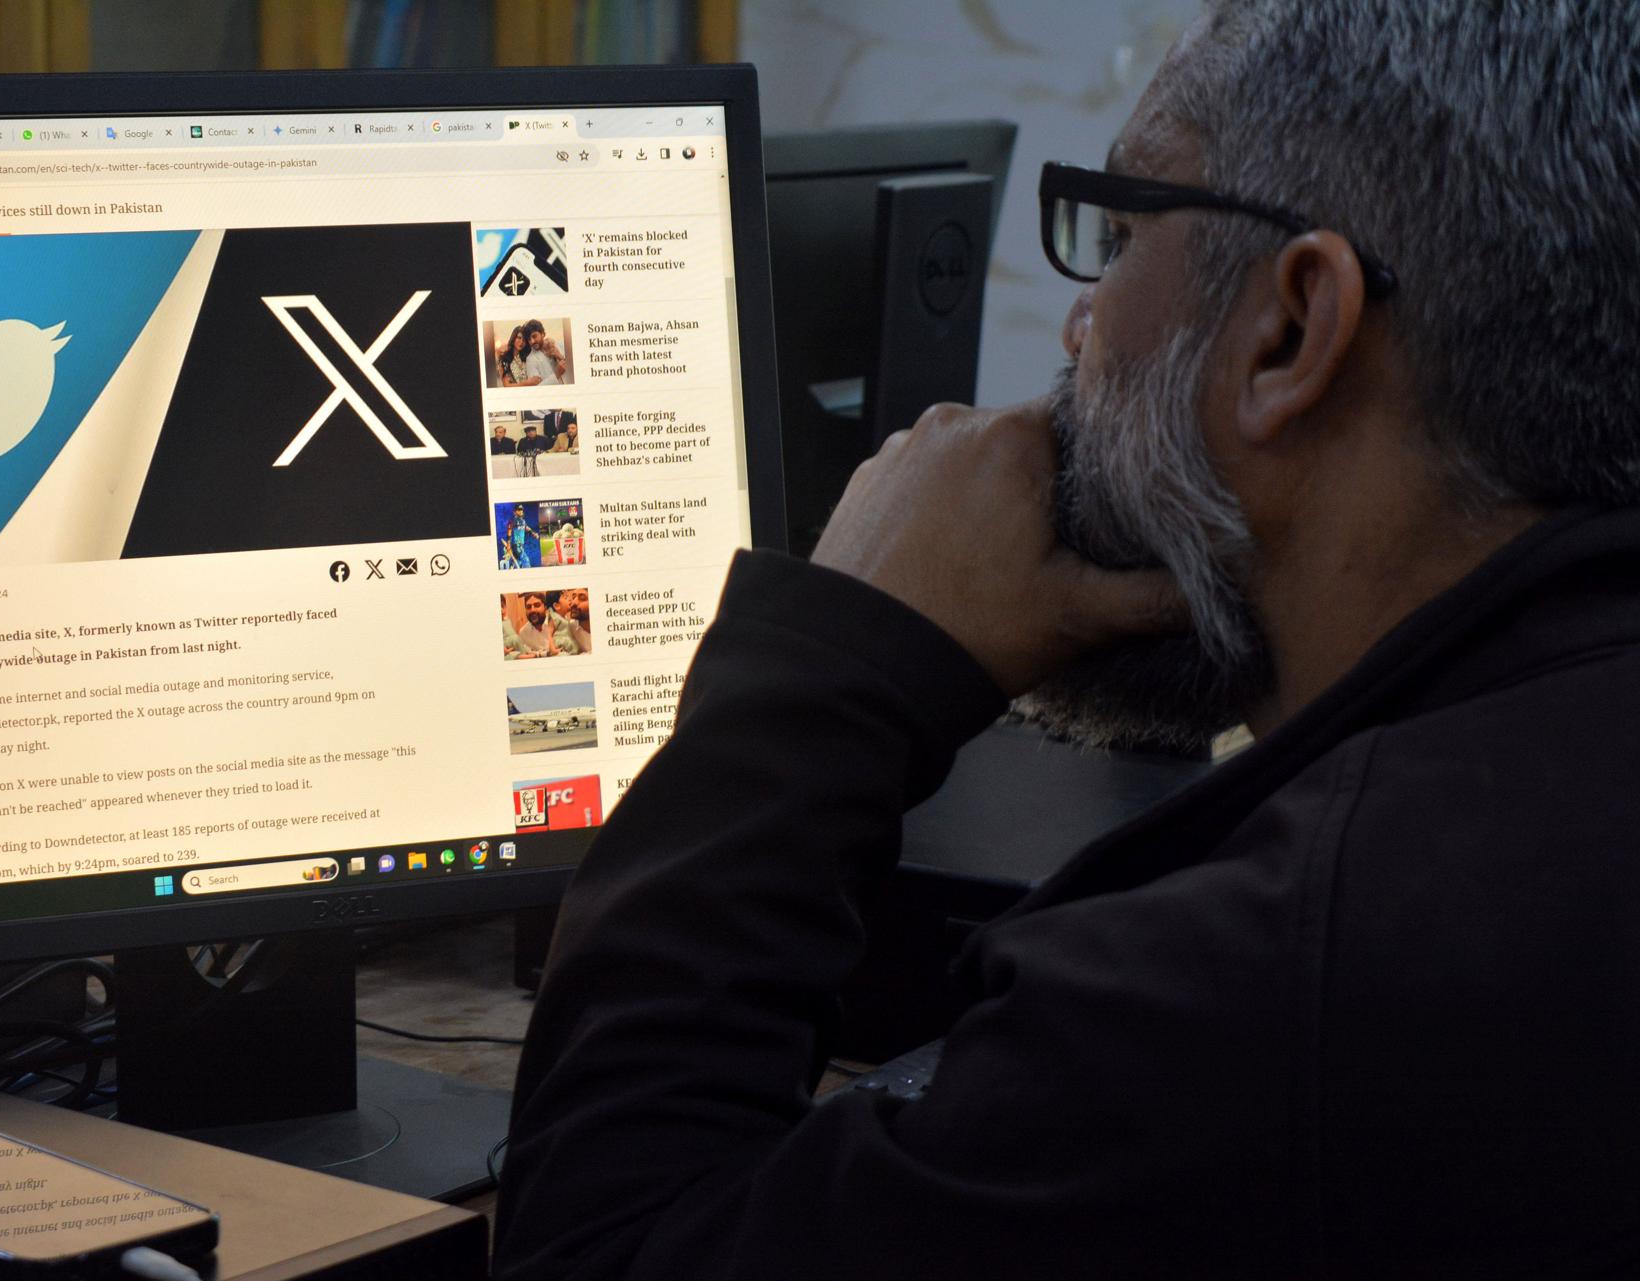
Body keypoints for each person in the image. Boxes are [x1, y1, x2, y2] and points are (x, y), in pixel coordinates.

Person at [494, 3, 1640, 1277]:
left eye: (1124, 233)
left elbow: (601, 1249)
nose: (1081, 325)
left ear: (1290, 328)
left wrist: (838, 661)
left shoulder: (1268, 993)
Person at [523, 319, 569, 386]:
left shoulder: (560, 344)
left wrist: (560, 356)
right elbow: (536, 389)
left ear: (543, 334)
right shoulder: (530, 360)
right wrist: (556, 374)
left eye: (534, 336)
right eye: (529, 339)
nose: (532, 341)